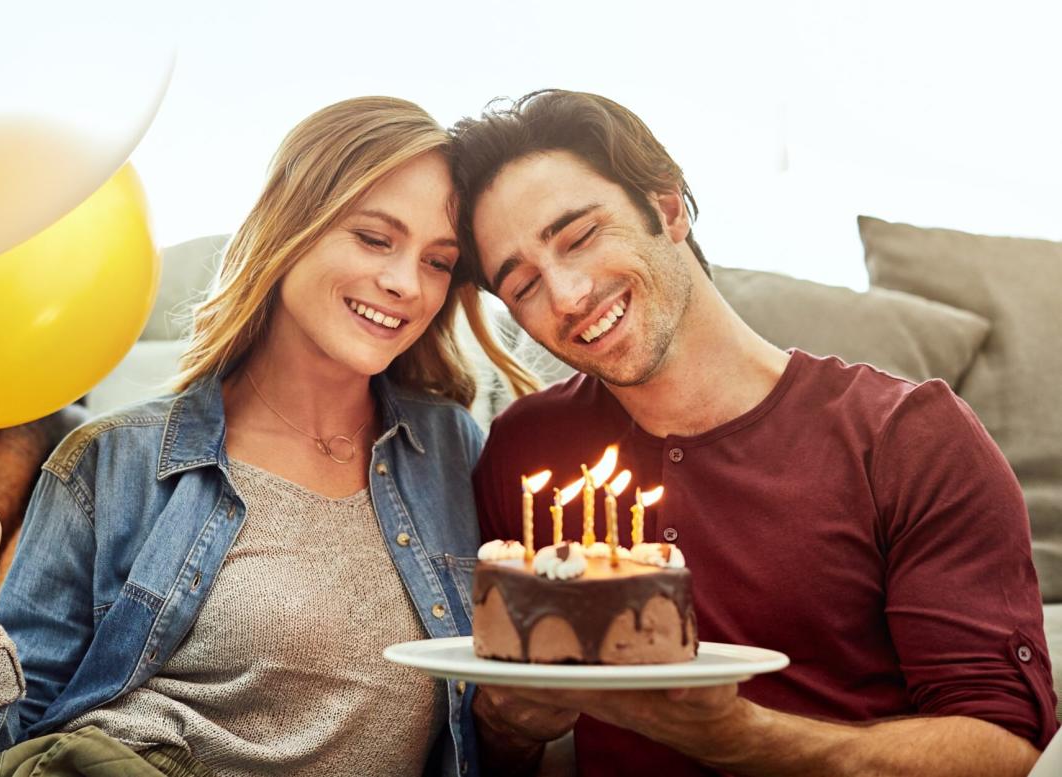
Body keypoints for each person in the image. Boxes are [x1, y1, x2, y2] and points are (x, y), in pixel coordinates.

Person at [0, 96, 535, 777]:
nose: (404, 283)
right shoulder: (111, 464)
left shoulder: (453, 449)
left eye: (437, 261)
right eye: (373, 238)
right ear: (290, 227)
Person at [450, 89, 1057, 776]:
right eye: (522, 283)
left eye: (582, 236)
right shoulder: (524, 453)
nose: (565, 295)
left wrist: (740, 736)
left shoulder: (908, 437)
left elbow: (1003, 750)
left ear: (668, 207)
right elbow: (498, 745)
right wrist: (507, 727)